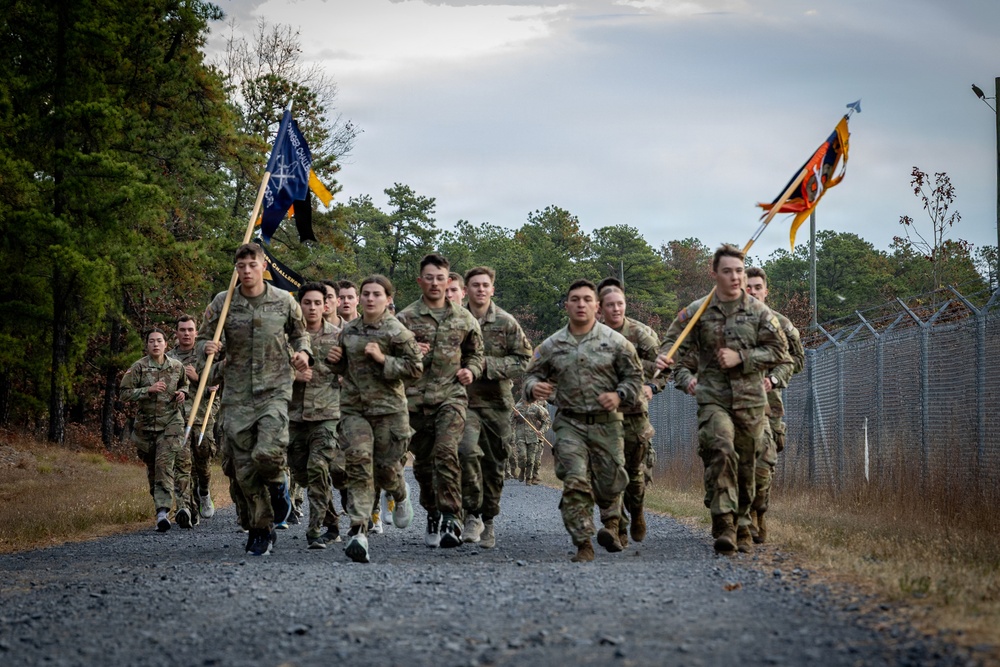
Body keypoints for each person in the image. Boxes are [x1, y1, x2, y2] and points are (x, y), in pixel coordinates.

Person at [655, 244, 788, 555]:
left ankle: (743, 521)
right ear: (714, 274)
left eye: (739, 271)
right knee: (723, 448)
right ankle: (724, 522)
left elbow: (780, 353)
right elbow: (672, 342)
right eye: (727, 271)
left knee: (749, 464)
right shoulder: (698, 311)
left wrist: (742, 357)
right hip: (713, 398)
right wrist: (667, 360)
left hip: (752, 400)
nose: (735, 277)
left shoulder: (759, 312)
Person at [199, 243, 312, 556]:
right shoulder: (222, 303)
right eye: (241, 265)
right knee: (244, 469)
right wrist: (208, 351)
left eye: (252, 264)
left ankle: (279, 486)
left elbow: (300, 335)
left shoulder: (284, 301)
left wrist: (303, 353)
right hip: (235, 393)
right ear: (236, 268)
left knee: (267, 452)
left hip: (274, 389)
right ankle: (262, 529)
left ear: (264, 266)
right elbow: (202, 344)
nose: (246, 270)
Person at [523, 279, 643, 562]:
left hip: (607, 422)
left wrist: (619, 394)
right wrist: (533, 388)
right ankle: (583, 542)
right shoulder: (552, 345)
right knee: (575, 480)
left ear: (597, 306)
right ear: (566, 305)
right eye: (574, 299)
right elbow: (530, 376)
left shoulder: (616, 342)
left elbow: (635, 377)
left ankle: (613, 526)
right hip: (570, 424)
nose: (581, 304)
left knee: (609, 482)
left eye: (587, 299)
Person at [328, 275, 423, 562]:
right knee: (357, 463)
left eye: (376, 294)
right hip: (355, 409)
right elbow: (345, 368)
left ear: (387, 298)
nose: (370, 298)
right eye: (366, 293)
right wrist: (335, 362)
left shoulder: (398, 331)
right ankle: (358, 529)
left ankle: (401, 494)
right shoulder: (350, 331)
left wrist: (384, 360)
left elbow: (415, 368)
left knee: (385, 471)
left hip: (390, 411)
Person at [397, 254, 484, 548]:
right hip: (415, 402)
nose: (435, 283)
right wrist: (410, 355)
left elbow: (476, 353)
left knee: (448, 452)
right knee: (423, 466)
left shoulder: (464, 318)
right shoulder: (405, 319)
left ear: (448, 282)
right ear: (420, 281)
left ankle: (451, 517)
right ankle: (433, 511)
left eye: (440, 278)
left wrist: (471, 369)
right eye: (429, 278)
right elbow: (389, 357)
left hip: (451, 397)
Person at [458, 267, 532, 547]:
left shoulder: (506, 322)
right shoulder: (457, 320)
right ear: (466, 289)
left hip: (497, 403)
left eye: (484, 285)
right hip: (463, 401)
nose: (480, 289)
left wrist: (487, 365)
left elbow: (525, 360)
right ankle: (472, 514)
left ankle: (488, 518)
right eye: (474, 285)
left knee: (494, 464)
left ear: (492, 289)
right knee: (465, 453)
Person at [596, 281, 665, 546]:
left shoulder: (640, 334)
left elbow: (664, 366)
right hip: (603, 415)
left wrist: (651, 385)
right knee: (607, 471)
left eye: (620, 304)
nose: (616, 309)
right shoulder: (591, 334)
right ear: (600, 308)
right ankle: (614, 526)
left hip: (634, 415)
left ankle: (636, 512)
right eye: (610, 305)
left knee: (634, 474)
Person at [745, 267, 805, 543]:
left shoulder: (781, 323)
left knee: (763, 465)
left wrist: (774, 374)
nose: (752, 291)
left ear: (766, 291)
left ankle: (760, 514)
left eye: (757, 287)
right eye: (748, 286)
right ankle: (742, 520)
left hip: (769, 405)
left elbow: (797, 361)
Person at [286, 283, 344, 549]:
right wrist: (293, 376)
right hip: (294, 415)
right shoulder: (289, 339)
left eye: (317, 302)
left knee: (318, 467)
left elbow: (355, 372)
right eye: (307, 303)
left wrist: (344, 372)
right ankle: (332, 520)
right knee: (301, 474)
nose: (312, 307)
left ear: (326, 305)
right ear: (300, 305)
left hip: (327, 415)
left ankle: (315, 529)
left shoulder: (339, 336)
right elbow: (270, 373)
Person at [120, 328, 192, 531]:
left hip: (171, 423)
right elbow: (124, 394)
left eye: (159, 341)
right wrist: (147, 390)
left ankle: (167, 510)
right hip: (146, 428)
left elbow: (185, 385)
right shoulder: (138, 368)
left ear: (166, 344)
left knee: (164, 464)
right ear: (147, 345)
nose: (156, 344)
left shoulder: (177, 366)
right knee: (154, 469)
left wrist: (181, 393)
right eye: (151, 341)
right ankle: (166, 508)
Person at [168, 314, 219, 519]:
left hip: (202, 415)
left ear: (196, 332)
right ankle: (185, 509)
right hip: (178, 417)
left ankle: (204, 492)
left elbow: (216, 387)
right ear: (177, 333)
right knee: (182, 463)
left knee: (203, 460)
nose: (186, 333)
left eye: (190, 329)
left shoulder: (205, 355)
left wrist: (197, 379)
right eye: (182, 330)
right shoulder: (169, 358)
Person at [511, 397, 551, 484]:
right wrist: (515, 416)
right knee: (522, 456)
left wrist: (541, 431)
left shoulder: (537, 408)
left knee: (531, 460)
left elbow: (546, 422)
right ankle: (522, 469)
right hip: (520, 436)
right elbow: (510, 422)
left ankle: (529, 478)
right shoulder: (517, 407)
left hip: (533, 437)